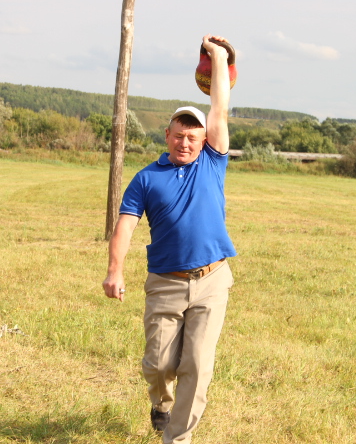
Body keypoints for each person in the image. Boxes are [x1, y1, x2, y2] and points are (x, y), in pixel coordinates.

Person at [102, 34, 237, 444]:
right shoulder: (146, 178)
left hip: (212, 279)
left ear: (204, 141)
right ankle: (160, 402)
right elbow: (124, 225)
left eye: (193, 137)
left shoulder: (212, 162)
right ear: (168, 134)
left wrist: (216, 56)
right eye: (180, 135)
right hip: (165, 281)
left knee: (197, 365)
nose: (186, 142)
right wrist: (115, 270)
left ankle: (176, 439)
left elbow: (219, 107)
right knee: (159, 364)